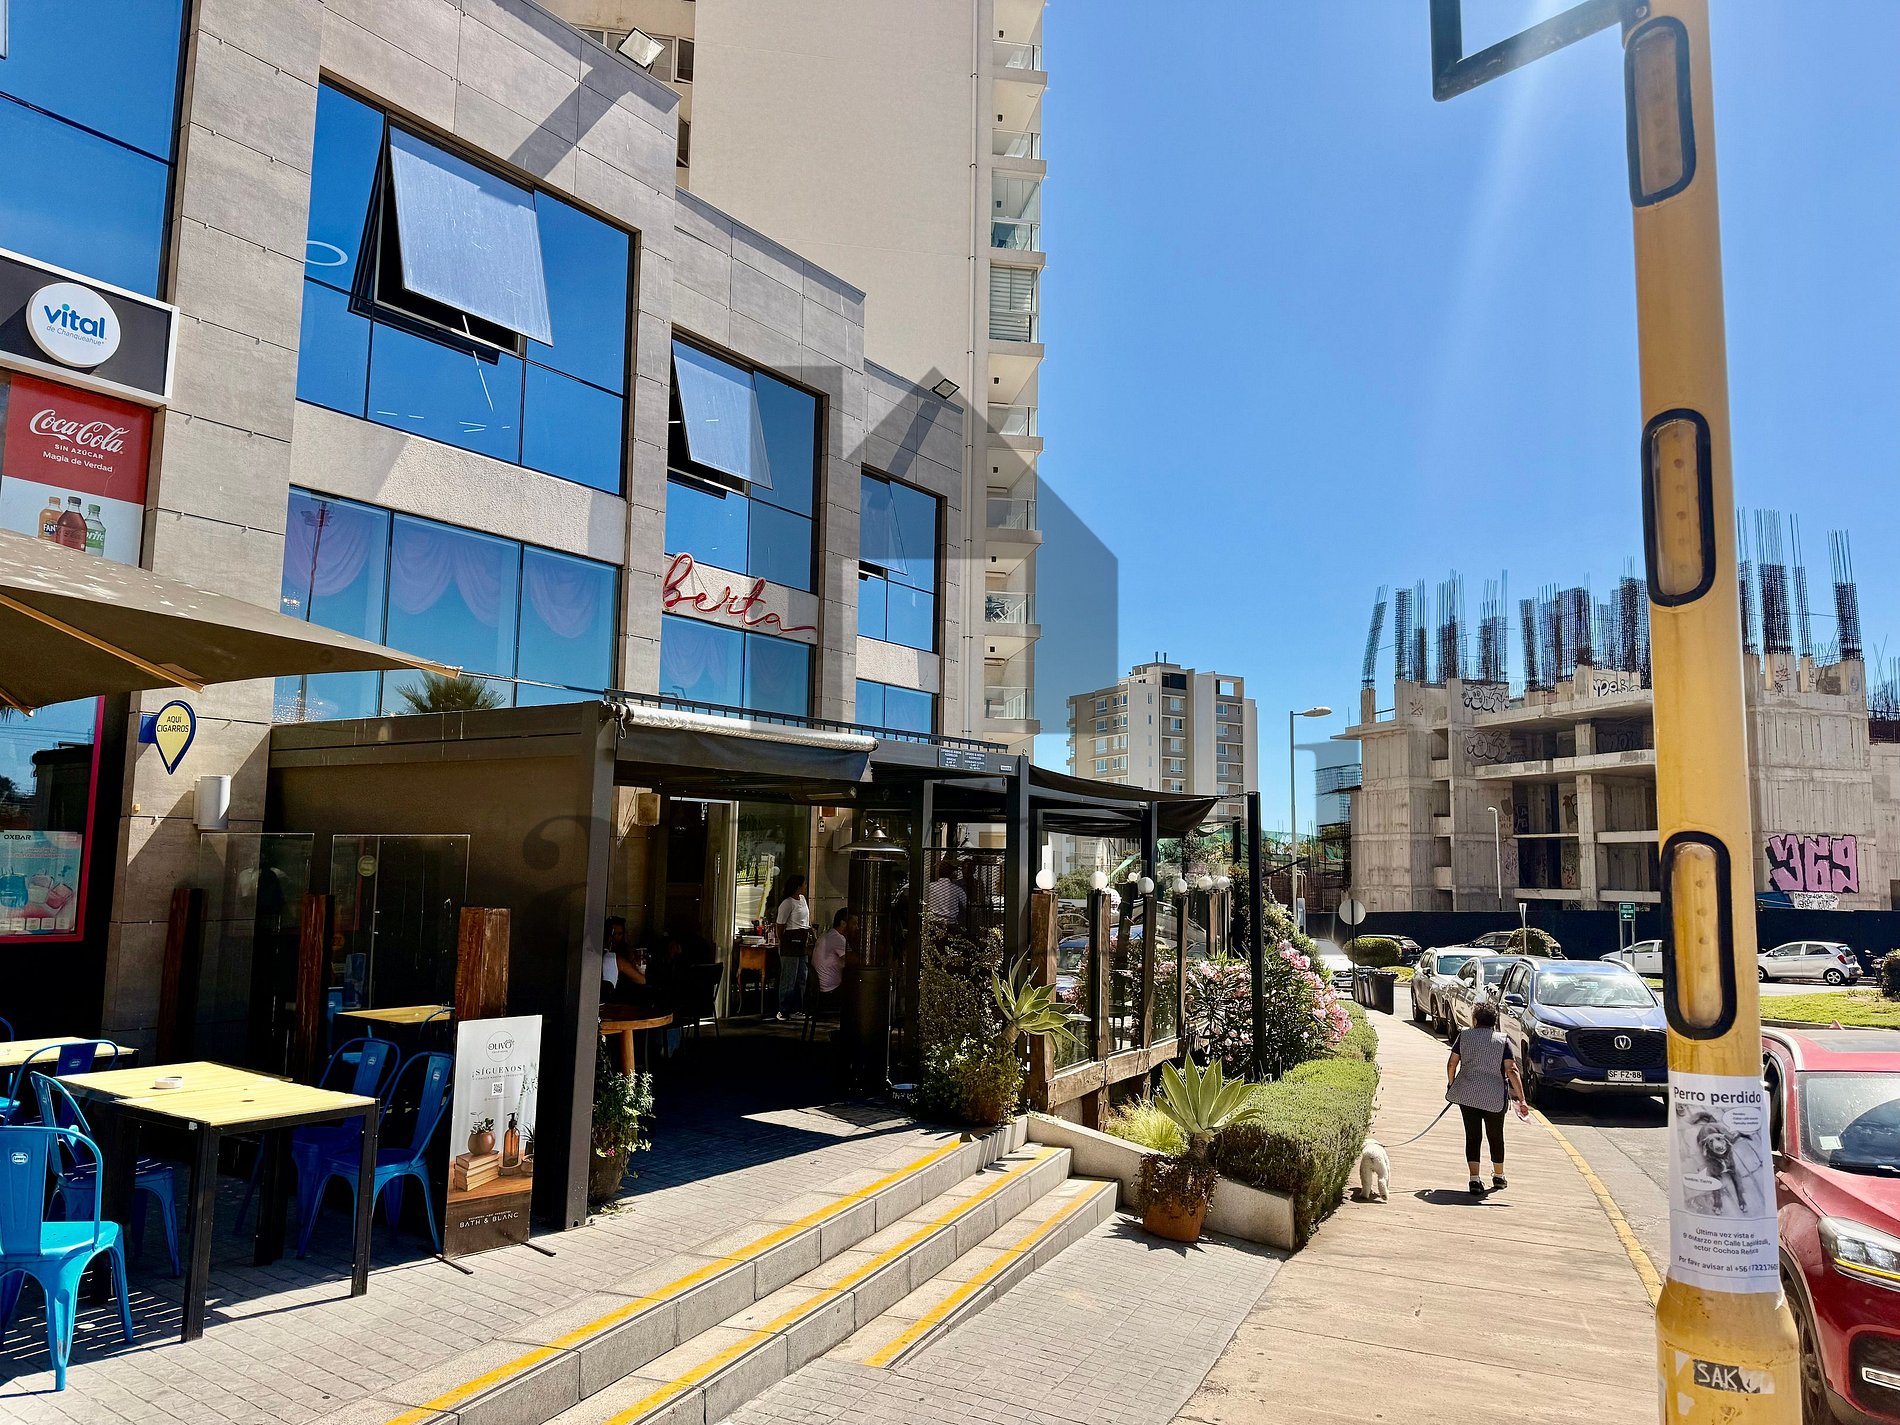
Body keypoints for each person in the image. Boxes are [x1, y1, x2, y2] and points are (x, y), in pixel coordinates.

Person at [1445, 1001, 1530, 1196]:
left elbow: (1452, 1064)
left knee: (1472, 1135)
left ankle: (1474, 1179)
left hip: (1467, 1095)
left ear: (1475, 1020)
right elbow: (1512, 1070)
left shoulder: (1464, 1036)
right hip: (1495, 1097)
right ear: (1494, 1021)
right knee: (1496, 1135)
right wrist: (1522, 1099)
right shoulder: (1502, 1041)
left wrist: (1452, 1083)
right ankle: (1499, 1176)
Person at [773, 873, 812, 1020]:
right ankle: (784, 1009)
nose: (806, 887)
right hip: (790, 942)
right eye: (804, 884)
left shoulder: (803, 900)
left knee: (802, 977)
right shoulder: (787, 903)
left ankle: (797, 1008)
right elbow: (780, 925)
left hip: (802, 941)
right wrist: (783, 940)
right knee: (789, 977)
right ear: (798, 887)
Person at [811, 907, 855, 1007]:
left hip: (819, 988)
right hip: (830, 990)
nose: (857, 927)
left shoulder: (828, 934)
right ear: (843, 923)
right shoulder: (837, 938)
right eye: (854, 923)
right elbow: (852, 960)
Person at [600, 916, 645, 1006]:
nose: (615, 937)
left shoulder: (626, 951)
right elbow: (642, 980)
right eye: (613, 934)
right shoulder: (611, 957)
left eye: (619, 934)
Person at [926, 858, 967, 923]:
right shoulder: (957, 889)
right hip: (950, 923)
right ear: (951, 874)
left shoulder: (931, 886)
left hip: (933, 922)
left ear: (938, 873)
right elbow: (966, 905)